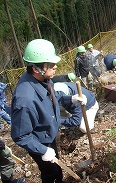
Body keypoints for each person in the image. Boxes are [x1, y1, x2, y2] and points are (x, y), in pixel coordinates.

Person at [10, 39, 87, 183]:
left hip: (49, 135)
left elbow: (52, 98)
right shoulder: (25, 100)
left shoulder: (43, 79)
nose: (55, 67)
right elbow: (20, 135)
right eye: (51, 64)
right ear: (36, 68)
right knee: (52, 174)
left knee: (55, 168)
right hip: (38, 141)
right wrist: (42, 150)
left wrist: (71, 99)